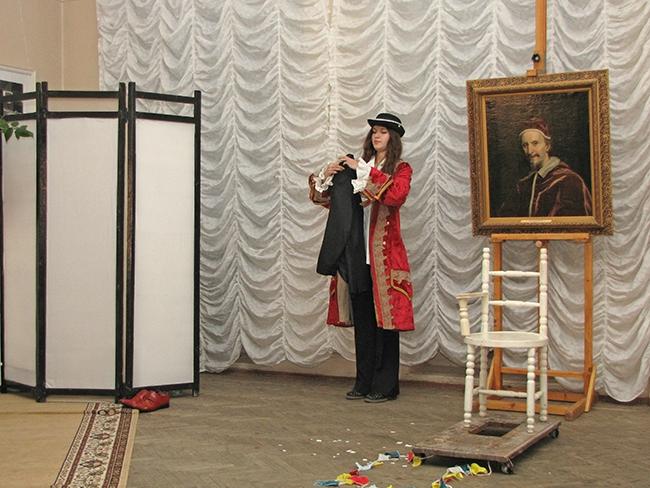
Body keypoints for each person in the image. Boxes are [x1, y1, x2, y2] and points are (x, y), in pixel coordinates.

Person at [308, 112, 414, 403]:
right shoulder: (358, 167)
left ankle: (386, 385)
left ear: (393, 138)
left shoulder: (400, 168)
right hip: (356, 255)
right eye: (374, 131)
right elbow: (327, 201)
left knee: (386, 324)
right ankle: (363, 382)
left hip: (384, 258)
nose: (376, 136)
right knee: (365, 321)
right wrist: (328, 176)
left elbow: (396, 196)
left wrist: (364, 171)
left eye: (383, 132)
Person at [499, 117, 592, 217]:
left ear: (547, 146)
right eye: (525, 145)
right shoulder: (523, 185)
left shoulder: (569, 180)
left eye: (535, 143)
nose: (529, 151)